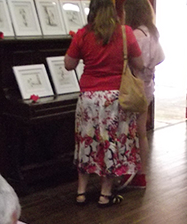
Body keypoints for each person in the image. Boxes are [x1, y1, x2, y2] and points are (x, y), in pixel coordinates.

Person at [65, 0, 144, 207]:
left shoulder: (82, 34)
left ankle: (81, 192)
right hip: (115, 98)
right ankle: (105, 194)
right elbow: (140, 64)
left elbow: (68, 64)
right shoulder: (125, 33)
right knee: (111, 143)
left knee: (86, 142)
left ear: (91, 11)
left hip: (88, 98)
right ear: (113, 11)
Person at [122, 0, 165, 189]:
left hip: (130, 88)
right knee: (142, 133)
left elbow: (131, 62)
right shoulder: (152, 34)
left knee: (127, 132)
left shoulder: (133, 35)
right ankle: (141, 174)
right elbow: (161, 58)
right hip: (147, 88)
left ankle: (127, 171)